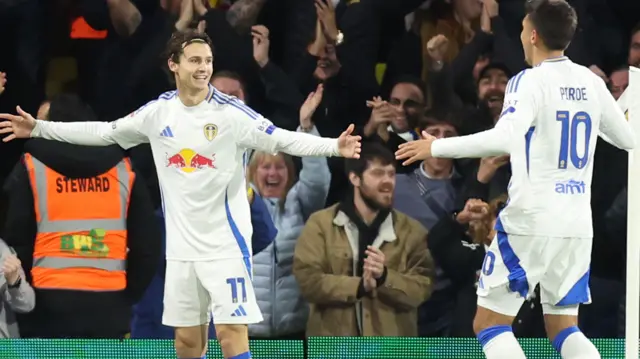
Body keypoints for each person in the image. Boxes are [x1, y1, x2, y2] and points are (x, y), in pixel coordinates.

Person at [0, 30, 361, 359]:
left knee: (232, 335)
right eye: (195, 60)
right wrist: (40, 128)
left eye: (208, 61)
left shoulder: (231, 114)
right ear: (174, 64)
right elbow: (106, 132)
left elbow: (281, 138)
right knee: (187, 343)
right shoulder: (159, 113)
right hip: (181, 252)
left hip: (225, 248)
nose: (203, 68)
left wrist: (333, 146)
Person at [395, 0, 635, 358]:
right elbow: (629, 139)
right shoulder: (591, 81)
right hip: (575, 224)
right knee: (564, 327)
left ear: (534, 35)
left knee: (490, 324)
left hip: (531, 219)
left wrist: (437, 148)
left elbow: (505, 137)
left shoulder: (529, 80)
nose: (522, 37)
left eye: (523, 30)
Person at [2, 93, 160, 339]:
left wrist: (26, 296)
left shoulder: (32, 166)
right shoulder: (124, 169)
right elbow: (147, 246)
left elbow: (16, 239)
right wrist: (126, 297)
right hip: (108, 307)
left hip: (45, 308)